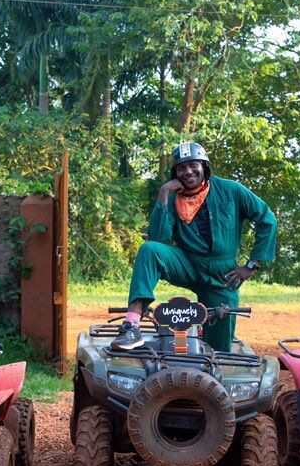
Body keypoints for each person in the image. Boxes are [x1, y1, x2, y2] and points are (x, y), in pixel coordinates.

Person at [111, 142, 278, 353]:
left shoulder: (231, 190)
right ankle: (131, 326)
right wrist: (164, 192)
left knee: (220, 348)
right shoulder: (172, 198)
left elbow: (267, 219)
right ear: (175, 173)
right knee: (149, 250)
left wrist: (252, 264)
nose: (188, 172)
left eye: (193, 165)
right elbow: (159, 237)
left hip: (222, 276)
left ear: (204, 166)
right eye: (181, 168)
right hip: (187, 264)